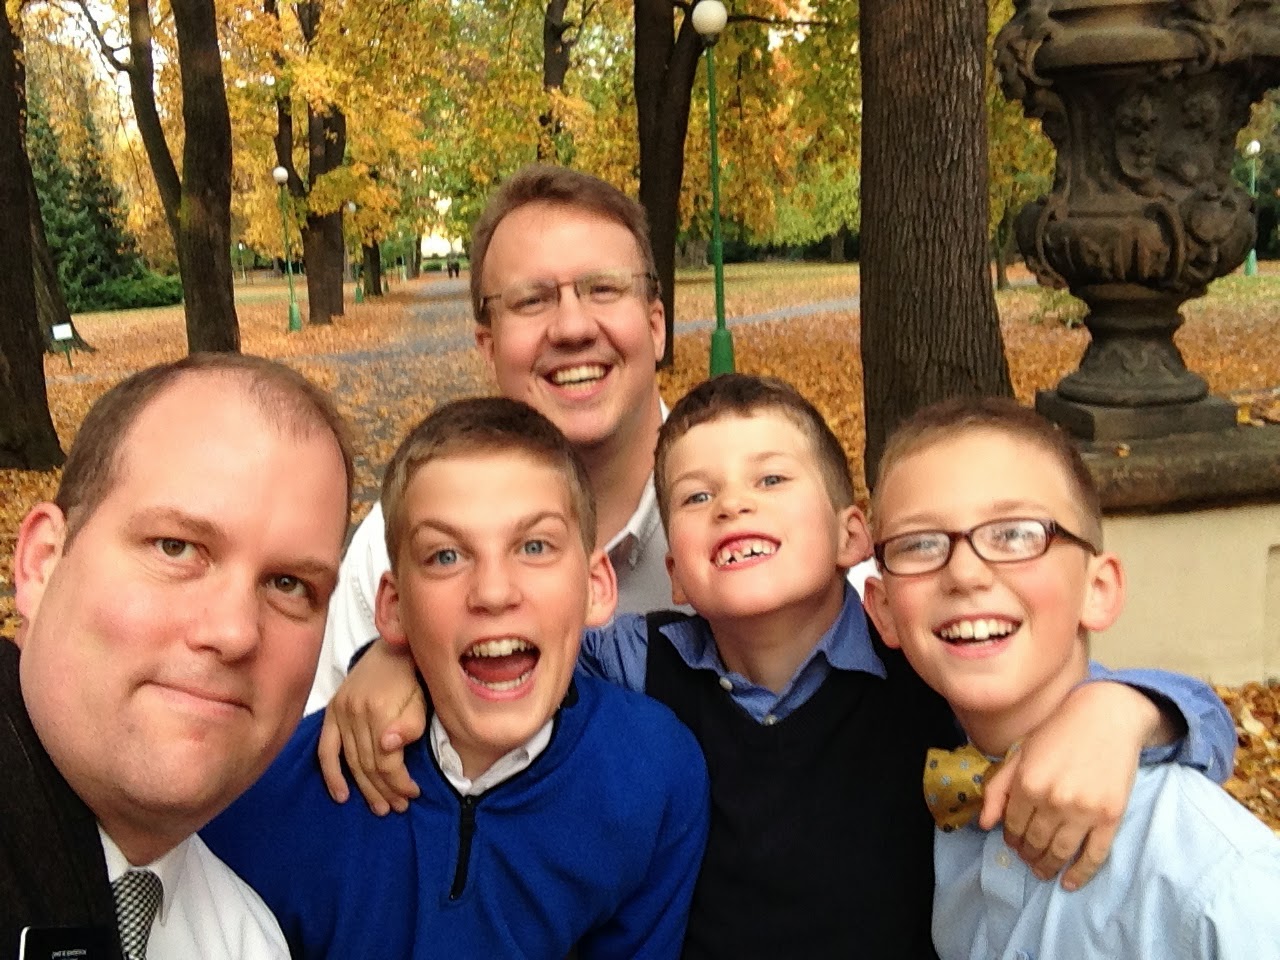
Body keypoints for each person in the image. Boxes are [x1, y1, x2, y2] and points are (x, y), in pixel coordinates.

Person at [320, 374, 1236, 959]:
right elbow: (506, 647)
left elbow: (1091, 706)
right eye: (696, 496)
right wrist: (390, 659)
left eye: (770, 480)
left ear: (852, 537)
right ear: (674, 569)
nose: (732, 506)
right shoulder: (634, 664)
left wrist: (1131, 709)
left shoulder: (920, 658)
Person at [201, 397, 710, 959]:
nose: (493, 592)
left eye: (535, 546)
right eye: (445, 556)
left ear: (596, 587)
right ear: (393, 607)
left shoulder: (656, 774)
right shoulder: (265, 799)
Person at [862, 396, 1280, 959]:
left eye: (1015, 534)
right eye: (919, 543)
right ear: (884, 610)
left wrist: (1130, 710)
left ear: (1097, 589)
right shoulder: (910, 761)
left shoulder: (1213, 879)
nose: (964, 572)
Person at [1, 354, 353, 959]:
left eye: (290, 585)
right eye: (176, 547)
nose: (235, 632)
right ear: (41, 563)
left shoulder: (246, 940)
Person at [306, 164, 688, 721]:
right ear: (488, 347)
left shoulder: (757, 515)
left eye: (603, 289)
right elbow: (321, 738)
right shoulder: (402, 539)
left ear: (656, 326)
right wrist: (389, 655)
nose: (573, 328)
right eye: (531, 301)